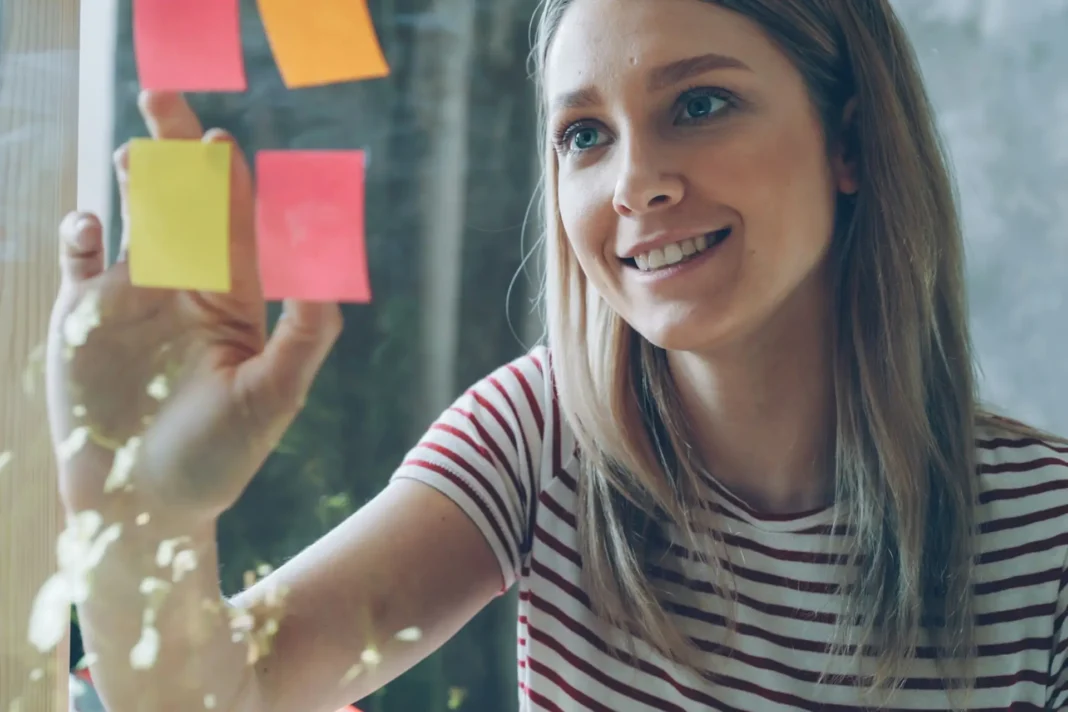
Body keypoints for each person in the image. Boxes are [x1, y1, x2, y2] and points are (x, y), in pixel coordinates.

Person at [46, 0, 1068, 710]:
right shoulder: (539, 437)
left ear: (849, 143)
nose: (635, 183)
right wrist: (140, 509)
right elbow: (223, 695)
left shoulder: (1048, 533)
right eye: (585, 135)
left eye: (700, 105)